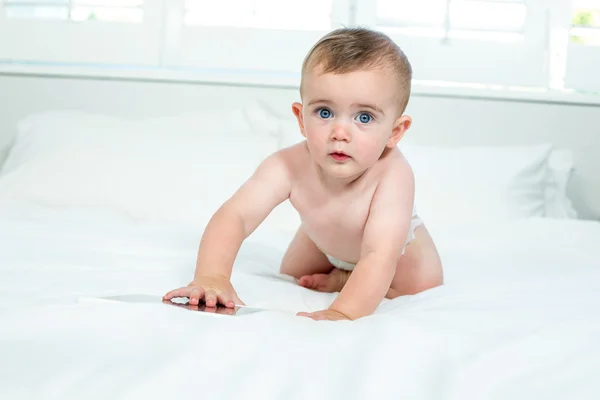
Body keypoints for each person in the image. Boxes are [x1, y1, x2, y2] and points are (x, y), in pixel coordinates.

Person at [163, 27, 443, 321]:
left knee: (420, 285)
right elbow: (236, 215)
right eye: (324, 112)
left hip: (396, 253)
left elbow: (379, 254)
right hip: (327, 239)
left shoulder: (393, 175)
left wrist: (342, 312)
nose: (340, 133)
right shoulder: (288, 164)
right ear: (300, 117)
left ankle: (344, 280)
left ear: (395, 132)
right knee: (293, 272)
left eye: (364, 117)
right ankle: (340, 268)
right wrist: (212, 276)